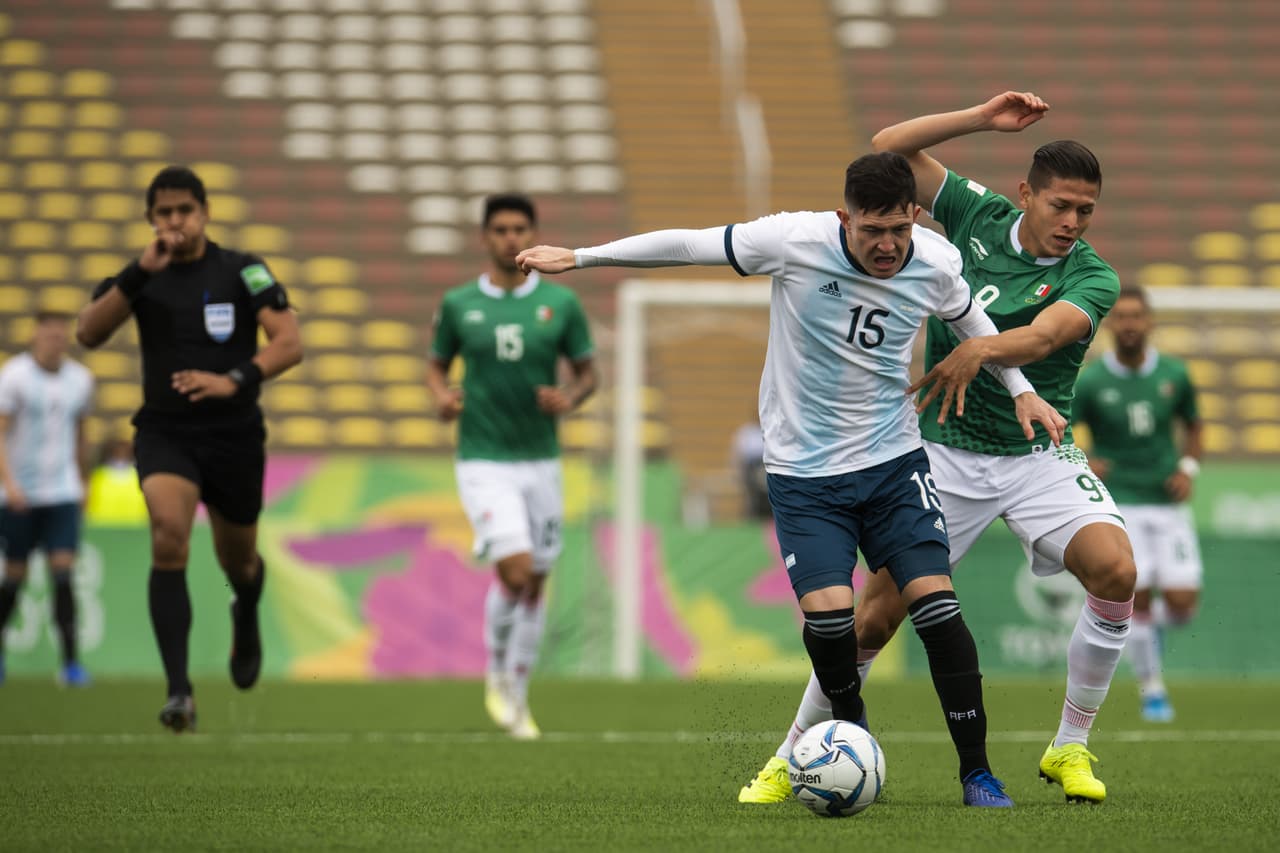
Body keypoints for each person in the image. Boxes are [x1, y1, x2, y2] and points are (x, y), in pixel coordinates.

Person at [519, 152, 1070, 807]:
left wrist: (1020, 388)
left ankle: (977, 773)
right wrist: (583, 257)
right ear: (845, 218)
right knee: (831, 618)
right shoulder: (794, 240)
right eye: (872, 231)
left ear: (915, 217)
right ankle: (851, 728)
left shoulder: (935, 260)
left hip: (894, 464)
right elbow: (691, 245)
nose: (887, 244)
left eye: (898, 228)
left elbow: (969, 320)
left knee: (937, 607)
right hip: (806, 476)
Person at [741, 92, 1136, 806]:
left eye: (1086, 211)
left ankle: (1070, 746)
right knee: (873, 617)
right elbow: (890, 144)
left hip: (1038, 450)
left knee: (1116, 570)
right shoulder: (975, 214)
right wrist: (984, 117)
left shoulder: (1093, 274)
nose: (1072, 224)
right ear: (1026, 195)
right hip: (945, 452)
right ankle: (790, 754)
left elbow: (1045, 338)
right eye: (1061, 207)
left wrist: (978, 347)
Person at [76, 165, 302, 732]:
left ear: (204, 212)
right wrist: (136, 272)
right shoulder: (140, 276)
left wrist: (235, 380)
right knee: (168, 536)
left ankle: (245, 605)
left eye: (184, 210)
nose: (175, 221)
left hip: (233, 433)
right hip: (165, 431)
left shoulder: (242, 270)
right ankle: (179, 691)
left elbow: (290, 343)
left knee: (238, 560)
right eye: (164, 212)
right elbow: (88, 333)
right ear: (151, 219)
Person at [427, 193, 598, 741]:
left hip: (541, 461)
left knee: (536, 582)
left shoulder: (560, 306)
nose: (508, 237)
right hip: (483, 458)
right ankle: (497, 671)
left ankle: (517, 694)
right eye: (499, 229)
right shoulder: (458, 305)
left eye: (518, 228)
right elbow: (435, 365)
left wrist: (569, 398)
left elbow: (589, 373)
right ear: (485, 237)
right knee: (517, 571)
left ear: (531, 234)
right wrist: (441, 396)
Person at [1073, 285, 1202, 723]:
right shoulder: (1091, 380)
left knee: (1183, 601)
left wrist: (1187, 467)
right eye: (1121, 317)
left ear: (1149, 322)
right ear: (1112, 324)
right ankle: (1153, 690)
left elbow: (1195, 425)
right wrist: (1085, 460)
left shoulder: (1174, 374)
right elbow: (1062, 425)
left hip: (1167, 502)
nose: (1129, 325)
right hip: (1121, 503)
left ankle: (1142, 635)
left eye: (1136, 317)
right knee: (1139, 596)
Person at [0, 312, 94, 687]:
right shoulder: (14, 377)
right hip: (20, 494)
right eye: (49, 336)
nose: (55, 342)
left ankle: (71, 663)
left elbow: (81, 433)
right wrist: (9, 485)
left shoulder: (80, 380)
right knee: (15, 576)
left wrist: (83, 481)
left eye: (60, 336)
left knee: (63, 572)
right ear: (36, 337)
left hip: (62, 490)